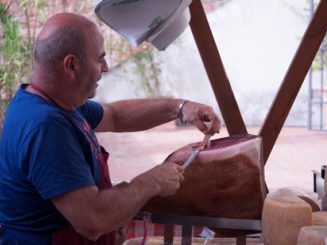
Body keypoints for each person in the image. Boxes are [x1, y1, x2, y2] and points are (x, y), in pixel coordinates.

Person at [0, 12, 221, 244]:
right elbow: (93, 220)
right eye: (100, 59)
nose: (105, 67)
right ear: (71, 65)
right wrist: (151, 181)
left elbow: (116, 116)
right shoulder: (45, 126)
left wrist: (182, 108)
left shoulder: (58, 103)